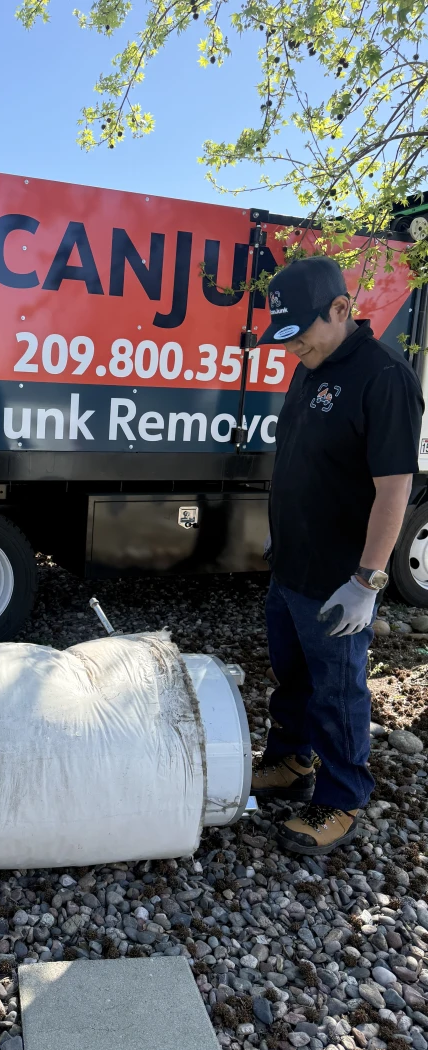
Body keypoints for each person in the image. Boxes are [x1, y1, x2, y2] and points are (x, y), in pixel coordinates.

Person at [251, 256, 424, 855]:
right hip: (293, 563)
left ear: (341, 310)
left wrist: (368, 580)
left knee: (338, 689)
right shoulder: (313, 364)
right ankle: (292, 762)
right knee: (291, 676)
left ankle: (342, 799)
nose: (294, 345)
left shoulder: (385, 377)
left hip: (339, 576)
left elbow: (394, 487)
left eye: (303, 331)